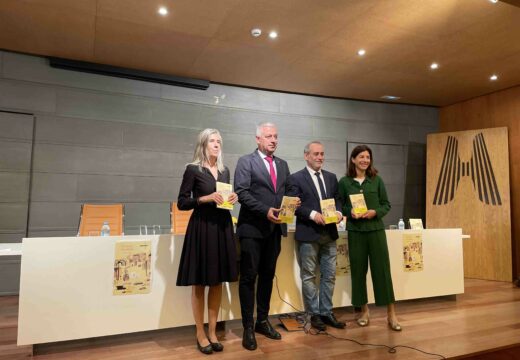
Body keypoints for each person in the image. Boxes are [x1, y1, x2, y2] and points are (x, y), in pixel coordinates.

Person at [234, 122, 297, 350]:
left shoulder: (282, 164)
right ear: (258, 139)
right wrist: (265, 210)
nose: (273, 140)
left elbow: (289, 190)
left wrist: (293, 201)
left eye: (276, 136)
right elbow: (241, 193)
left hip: (275, 231)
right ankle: (247, 327)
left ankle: (262, 321)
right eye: (269, 136)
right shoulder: (245, 162)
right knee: (249, 277)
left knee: (268, 276)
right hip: (252, 229)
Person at [176, 128, 239, 355]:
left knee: (217, 281)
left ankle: (213, 331)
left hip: (222, 227)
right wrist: (205, 198)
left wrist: (233, 198)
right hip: (202, 228)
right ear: (203, 144)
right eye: (212, 141)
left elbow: (225, 200)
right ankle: (200, 333)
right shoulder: (192, 170)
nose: (216, 144)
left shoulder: (225, 171)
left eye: (219, 141)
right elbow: (182, 202)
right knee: (200, 282)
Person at [338, 144, 401, 331]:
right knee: (358, 272)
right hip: (356, 233)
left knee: (382, 271)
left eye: (368, 157)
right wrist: (350, 213)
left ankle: (392, 314)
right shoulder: (344, 182)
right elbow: (340, 206)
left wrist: (375, 212)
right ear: (353, 159)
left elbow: (386, 205)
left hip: (376, 232)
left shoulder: (376, 180)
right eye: (361, 157)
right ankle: (364, 311)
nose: (365, 160)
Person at [286, 141, 346, 331]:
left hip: (329, 234)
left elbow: (338, 200)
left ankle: (327, 312)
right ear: (306, 156)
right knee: (309, 276)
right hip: (308, 234)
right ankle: (314, 314)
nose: (320, 157)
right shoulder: (295, 178)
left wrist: (338, 213)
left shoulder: (331, 177)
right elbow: (295, 206)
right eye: (316, 154)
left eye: (322, 154)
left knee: (329, 276)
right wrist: (313, 215)